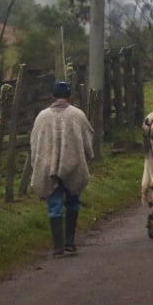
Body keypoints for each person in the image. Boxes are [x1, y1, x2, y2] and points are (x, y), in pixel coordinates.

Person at [30, 81, 94, 257]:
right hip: (73, 166)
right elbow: (88, 136)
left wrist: (38, 162)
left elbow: (34, 141)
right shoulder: (77, 115)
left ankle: (58, 247)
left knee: (55, 205)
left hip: (48, 168)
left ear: (53, 96)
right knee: (73, 202)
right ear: (69, 96)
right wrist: (88, 155)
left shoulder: (42, 117)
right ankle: (70, 243)